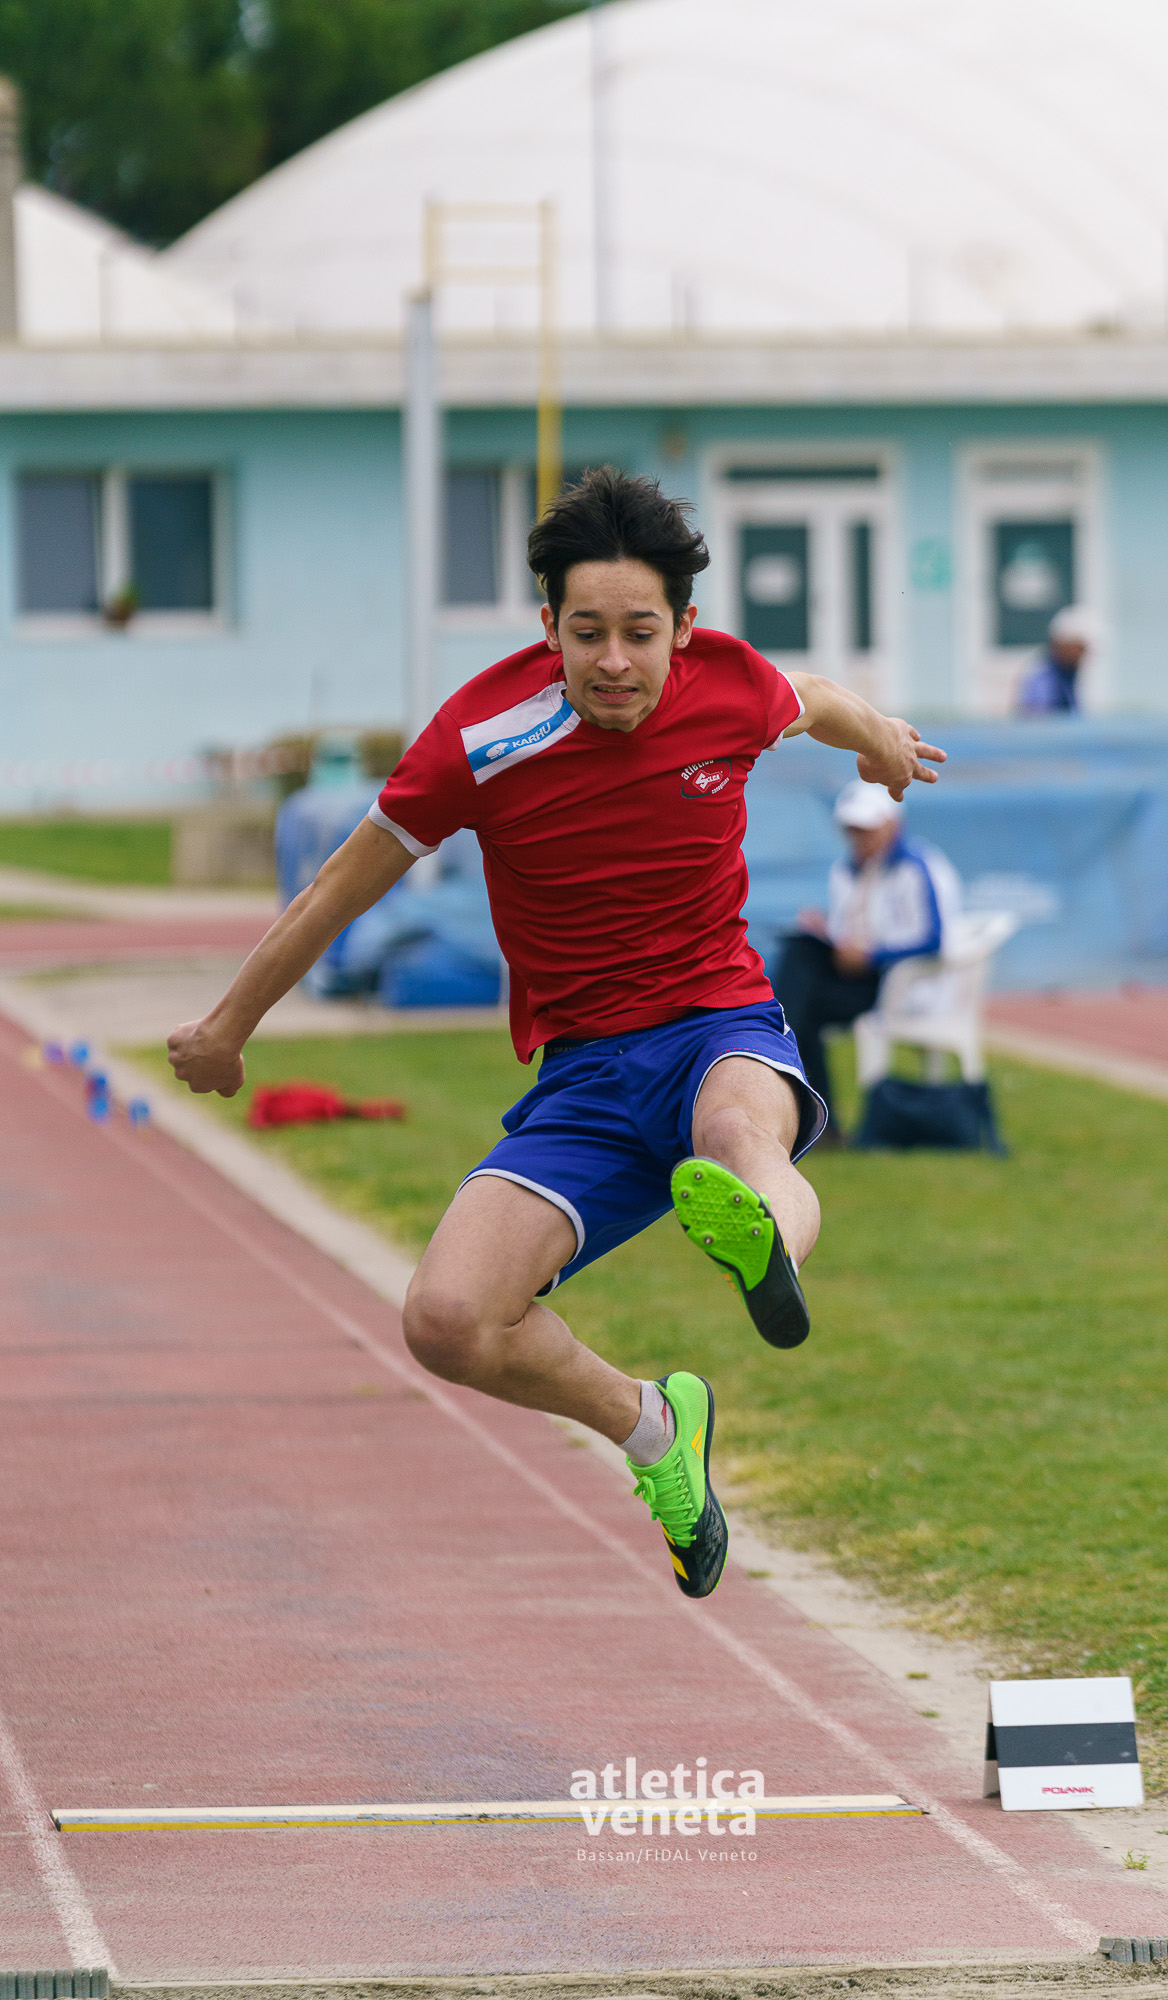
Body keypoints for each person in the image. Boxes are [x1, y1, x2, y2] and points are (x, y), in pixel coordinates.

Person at [167, 468, 945, 1601]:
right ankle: (654, 1427)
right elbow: (340, 887)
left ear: (685, 628)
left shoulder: (732, 686)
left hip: (716, 1021)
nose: (614, 661)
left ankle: (764, 1245)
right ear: (549, 627)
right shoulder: (479, 737)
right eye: (588, 634)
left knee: (740, 1135)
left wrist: (880, 744)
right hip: (582, 1075)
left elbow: (816, 699)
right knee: (446, 1321)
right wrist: (227, 1027)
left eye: (641, 633)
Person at [773, 781, 962, 1143]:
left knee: (799, 1003)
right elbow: (850, 934)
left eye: (865, 828)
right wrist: (828, 934)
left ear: (891, 824)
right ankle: (819, 1116)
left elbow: (934, 940)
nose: (858, 837)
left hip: (898, 982)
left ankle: (778, 1046)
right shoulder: (847, 871)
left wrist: (873, 955)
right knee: (800, 951)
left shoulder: (919, 867)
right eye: (852, 829)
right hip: (859, 977)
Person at [1015, 604, 1097, 715]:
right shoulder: (1042, 681)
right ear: (1062, 645)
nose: (1082, 655)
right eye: (1079, 648)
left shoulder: (1070, 676)